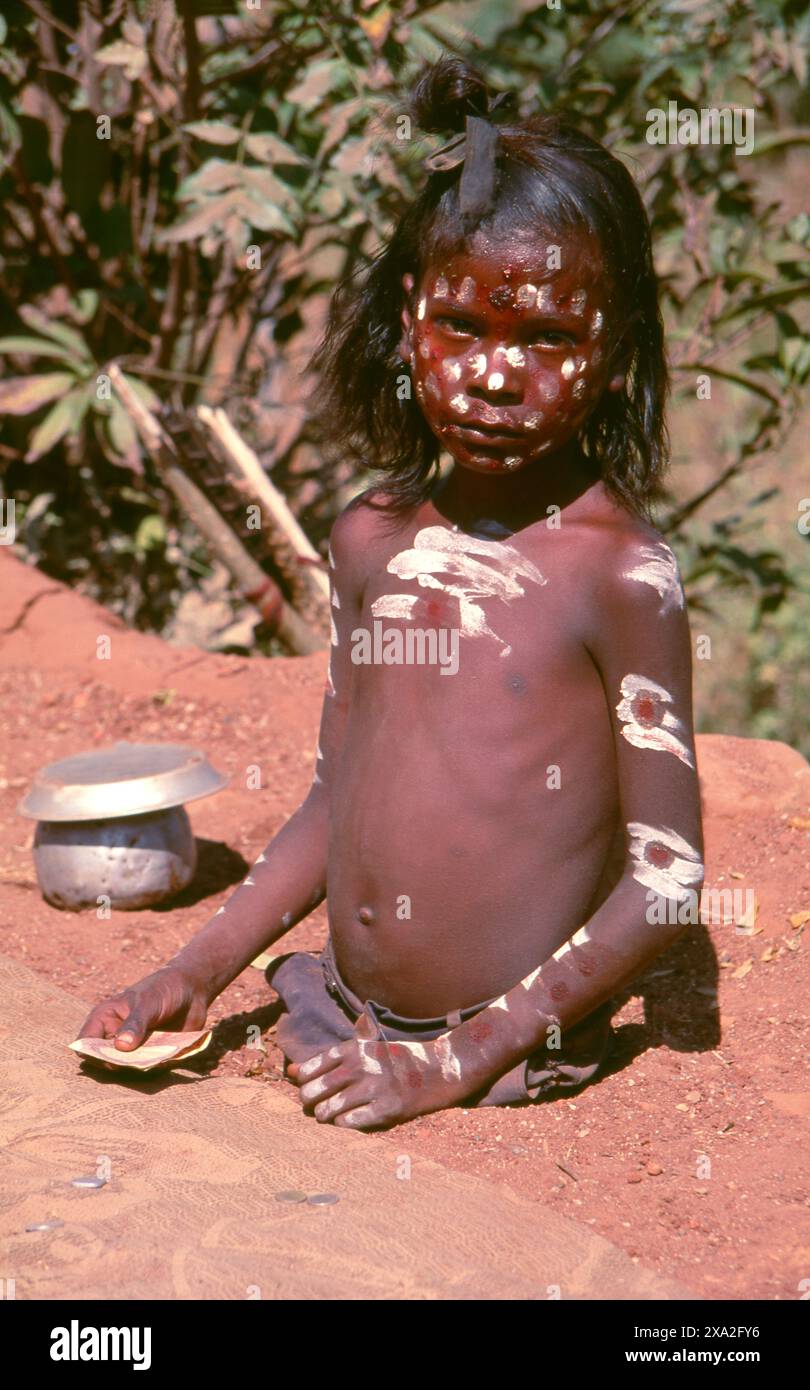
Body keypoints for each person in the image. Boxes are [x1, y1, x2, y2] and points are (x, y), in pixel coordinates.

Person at [77, 56, 704, 1130]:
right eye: (464, 326)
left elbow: (667, 880)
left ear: (612, 355)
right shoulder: (372, 538)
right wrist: (195, 970)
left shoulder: (616, 571)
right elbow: (336, 796)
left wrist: (453, 1062)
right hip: (340, 1016)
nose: (497, 374)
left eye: (549, 337)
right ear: (410, 317)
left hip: (501, 1049)